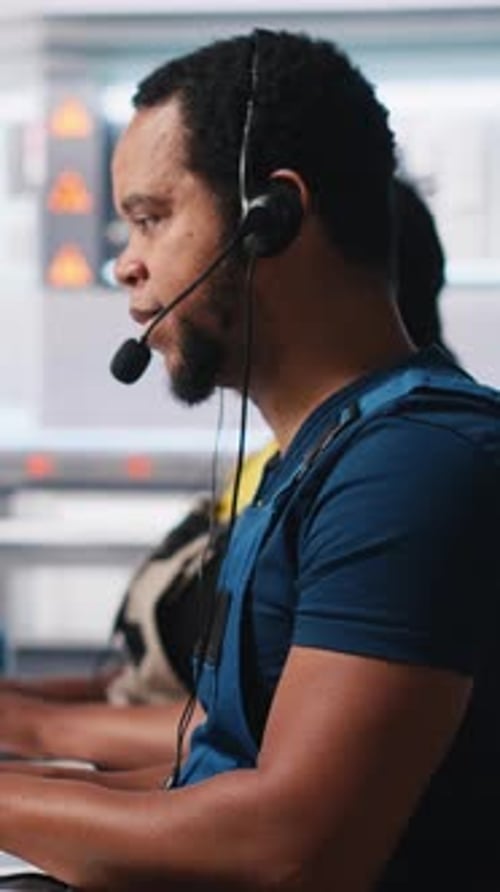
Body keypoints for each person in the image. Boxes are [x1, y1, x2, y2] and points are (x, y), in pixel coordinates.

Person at [0, 29, 498, 892]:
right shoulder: (313, 460)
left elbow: (289, 848)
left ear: (273, 219)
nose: (126, 264)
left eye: (152, 218)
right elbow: (216, 772)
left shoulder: (413, 466)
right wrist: (32, 780)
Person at [0, 175, 452, 773]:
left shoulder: (398, 468)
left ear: (275, 245)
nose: (129, 266)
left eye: (154, 221)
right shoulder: (281, 459)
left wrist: (37, 729)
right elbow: (164, 691)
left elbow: (255, 741)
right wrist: (23, 714)